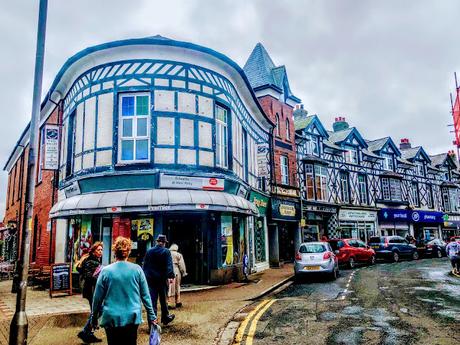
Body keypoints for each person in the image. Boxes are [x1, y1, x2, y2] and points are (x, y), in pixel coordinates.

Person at [91, 237, 156, 345]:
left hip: (111, 316)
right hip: (132, 316)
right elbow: (145, 296)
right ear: (129, 252)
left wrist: (94, 317)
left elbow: (97, 298)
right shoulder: (137, 270)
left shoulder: (105, 271)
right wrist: (152, 316)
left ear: (114, 252)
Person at [143, 234, 175, 325]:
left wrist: (144, 277)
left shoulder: (149, 251)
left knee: (152, 302)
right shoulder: (166, 252)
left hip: (151, 280)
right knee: (163, 300)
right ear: (164, 243)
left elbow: (145, 265)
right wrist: (171, 276)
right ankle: (165, 317)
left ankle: (152, 323)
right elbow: (169, 265)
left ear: (157, 242)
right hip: (161, 280)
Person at [77, 241, 103, 344]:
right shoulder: (91, 261)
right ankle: (86, 332)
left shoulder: (93, 260)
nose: (100, 252)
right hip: (91, 290)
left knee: (96, 311)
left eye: (101, 250)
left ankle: (87, 332)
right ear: (93, 251)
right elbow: (89, 276)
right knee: (98, 311)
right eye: (98, 250)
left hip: (91, 290)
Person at [168, 243, 187, 309]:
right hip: (176, 270)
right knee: (177, 286)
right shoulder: (178, 255)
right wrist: (184, 272)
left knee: (169, 287)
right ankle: (177, 301)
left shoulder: (167, 254)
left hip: (168, 271)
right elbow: (182, 265)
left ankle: (169, 302)